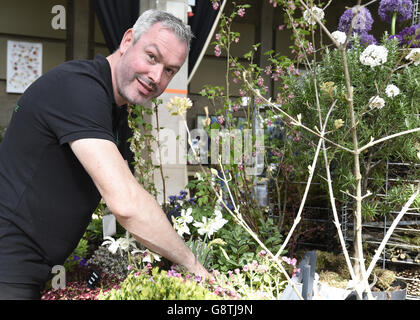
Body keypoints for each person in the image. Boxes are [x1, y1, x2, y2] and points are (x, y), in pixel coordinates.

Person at [0, 9, 209, 300]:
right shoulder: (79, 88)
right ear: (127, 41)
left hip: (30, 271)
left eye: (170, 70)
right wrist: (194, 267)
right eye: (152, 57)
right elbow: (127, 204)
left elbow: (128, 200)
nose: (156, 76)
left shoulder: (114, 111)